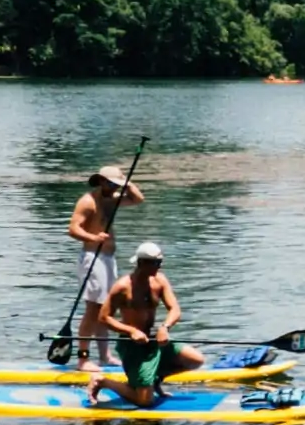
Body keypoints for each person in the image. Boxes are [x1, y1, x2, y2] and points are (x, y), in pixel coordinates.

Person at [87, 242, 203, 407]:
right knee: (145, 401)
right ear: (141, 263)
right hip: (133, 346)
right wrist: (131, 331)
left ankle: (154, 380)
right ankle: (102, 381)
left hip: (155, 339)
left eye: (160, 262)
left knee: (195, 359)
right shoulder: (122, 287)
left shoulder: (160, 280)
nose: (159, 266)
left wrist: (165, 327)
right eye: (156, 263)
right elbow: (104, 318)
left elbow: (175, 309)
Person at [67, 163, 144, 369]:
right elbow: (73, 229)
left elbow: (138, 199)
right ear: (100, 181)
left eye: (116, 184)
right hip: (92, 257)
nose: (114, 187)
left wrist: (127, 183)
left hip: (108, 258)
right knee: (93, 309)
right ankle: (83, 359)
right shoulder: (88, 202)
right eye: (111, 183)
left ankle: (105, 356)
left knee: (106, 309)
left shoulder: (113, 200)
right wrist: (94, 236)